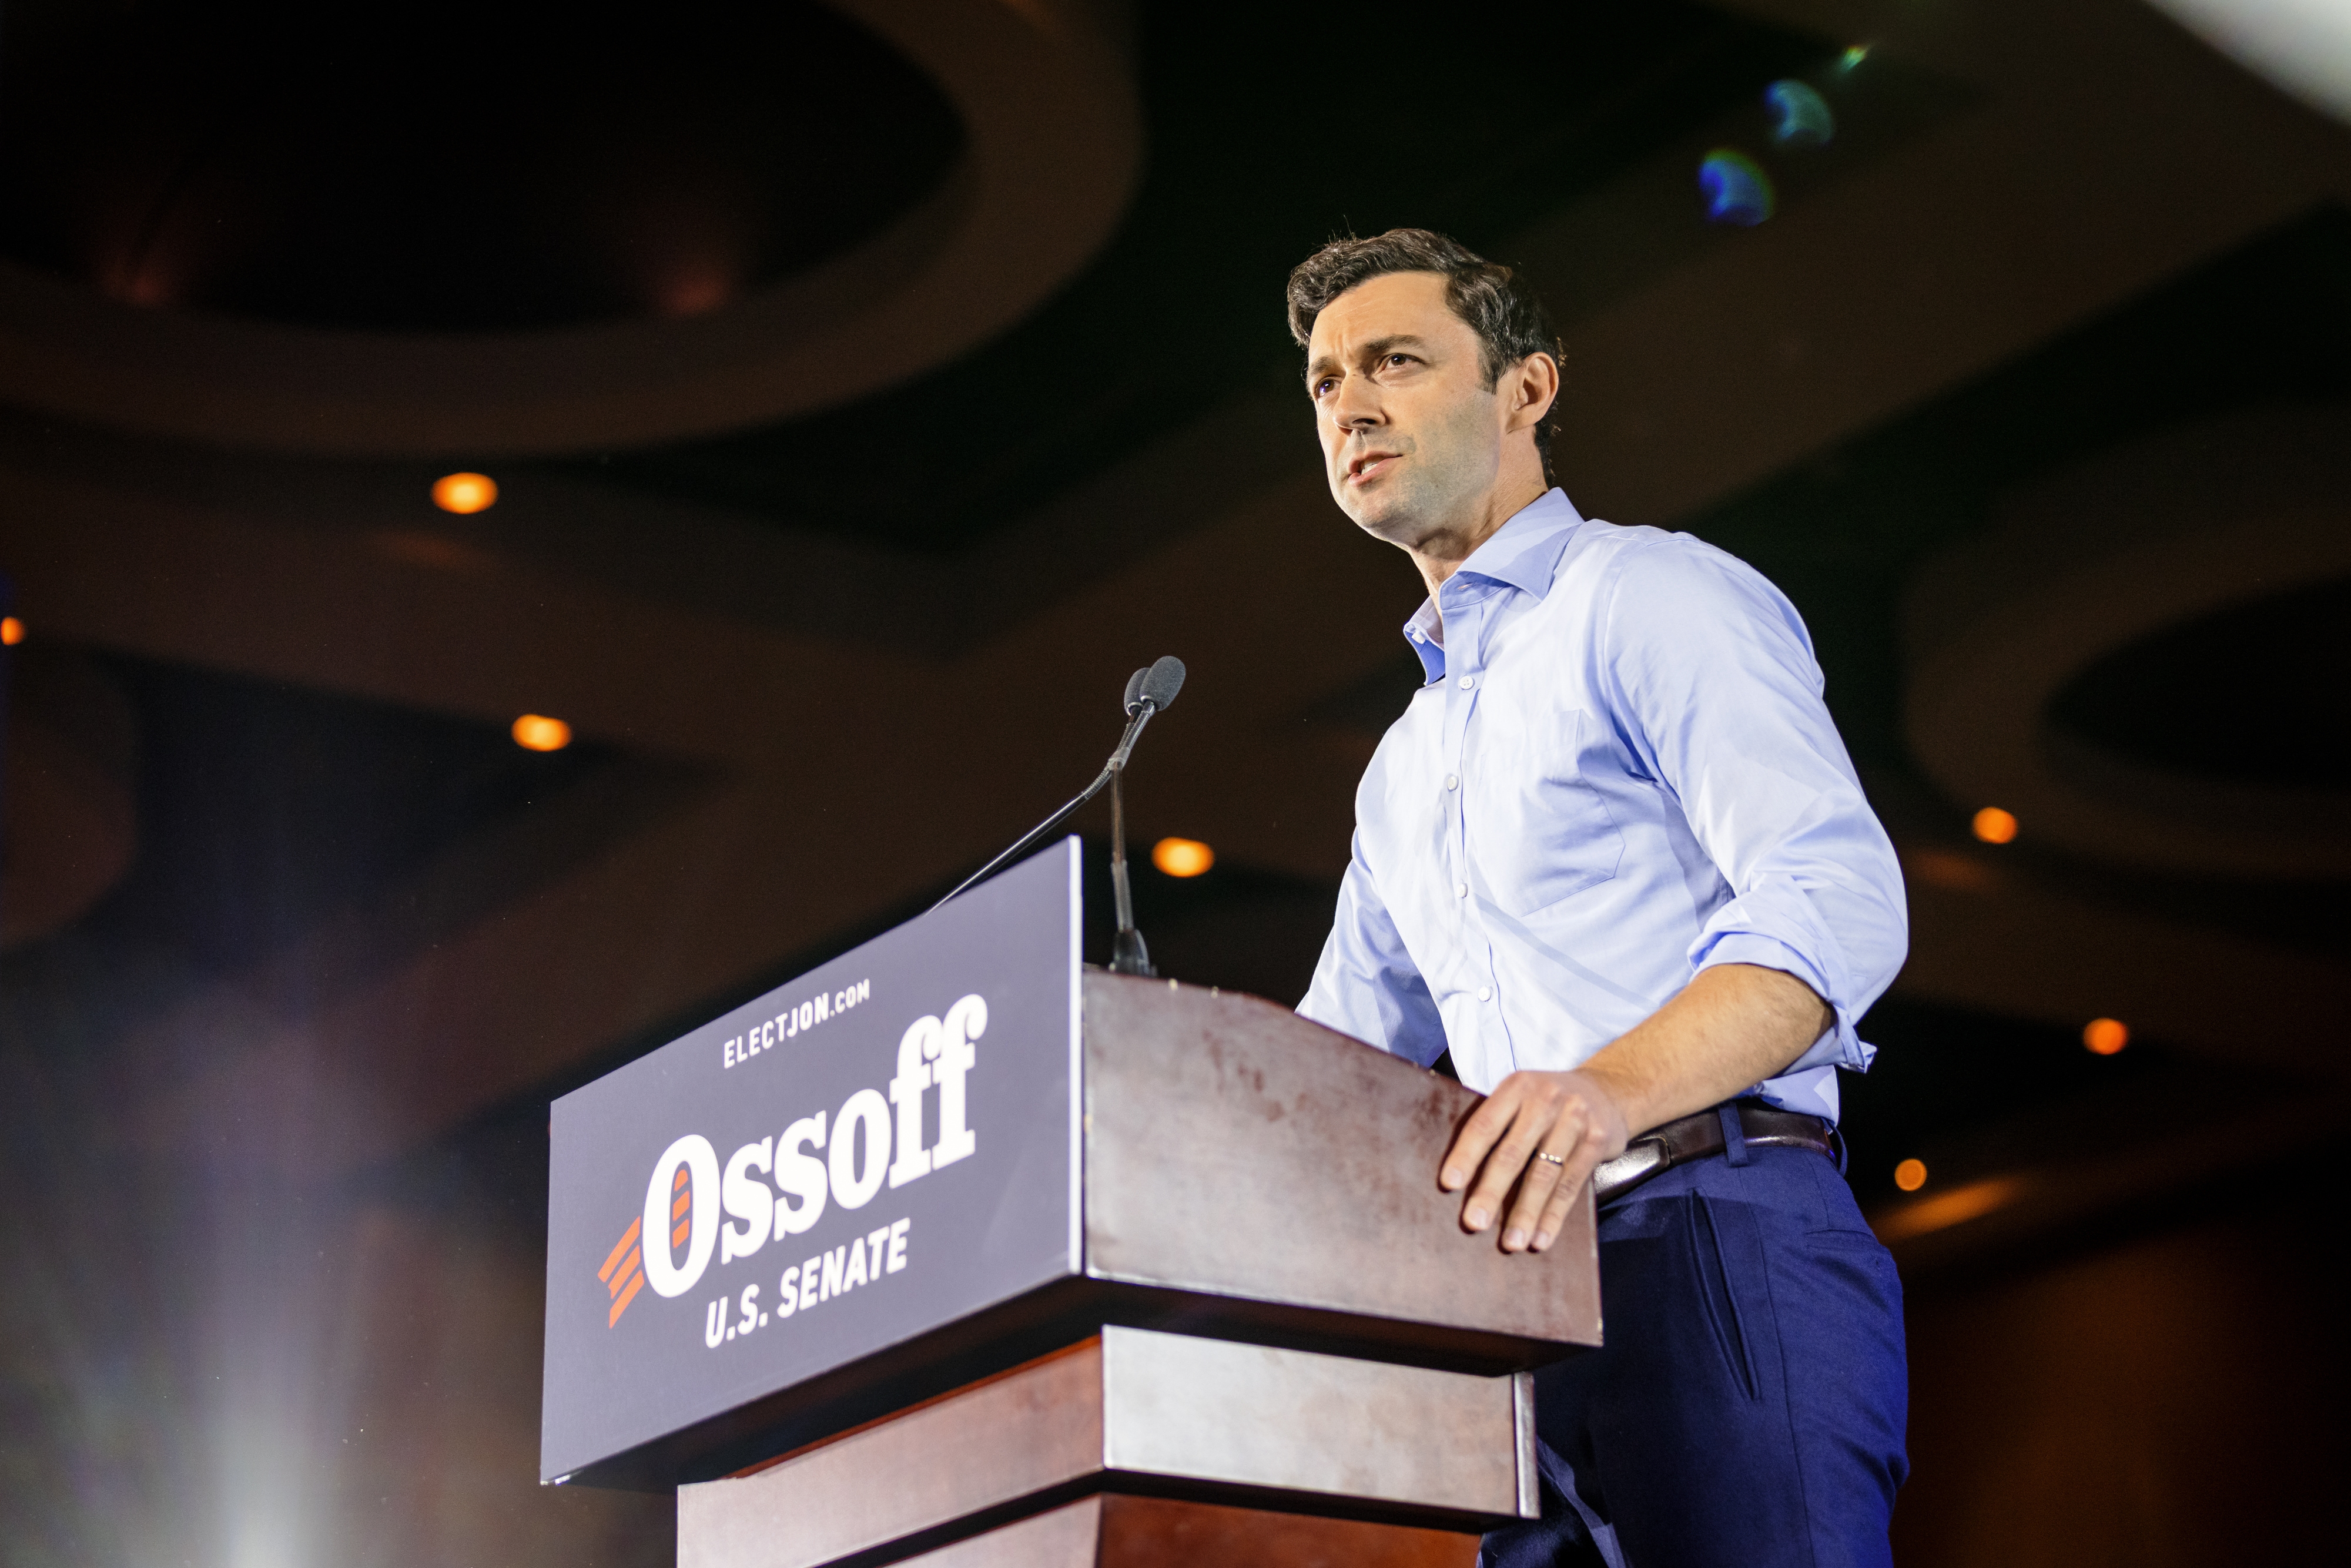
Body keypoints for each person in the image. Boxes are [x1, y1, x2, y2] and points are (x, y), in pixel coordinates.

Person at [1290, 229, 1910, 1567]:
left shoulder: (1646, 593)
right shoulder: (1402, 766)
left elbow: (1835, 891)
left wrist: (1603, 1089)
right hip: (1510, 1302)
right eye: (1325, 381)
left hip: (1712, 1230)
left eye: (1395, 359)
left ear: (1526, 388)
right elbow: (1326, 1074)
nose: (1349, 401)